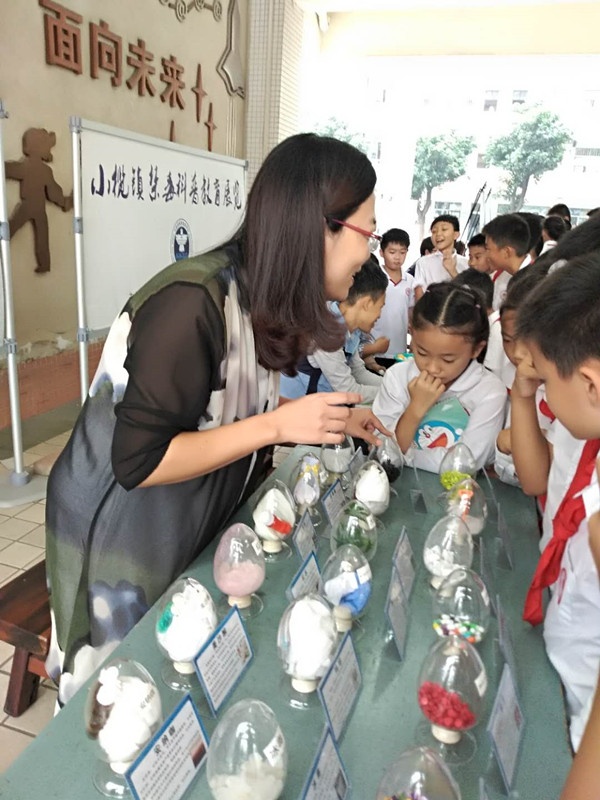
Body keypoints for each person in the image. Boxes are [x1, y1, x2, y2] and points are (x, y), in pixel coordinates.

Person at [45, 133, 388, 705]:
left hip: (186, 506)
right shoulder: (192, 301)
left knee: (178, 664)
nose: (368, 256)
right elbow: (139, 460)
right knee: (121, 692)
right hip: (122, 526)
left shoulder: (260, 299)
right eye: (368, 233)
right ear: (321, 227)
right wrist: (279, 427)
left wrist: (321, 418)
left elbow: (222, 409)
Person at [516, 253, 600, 753]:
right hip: (564, 670)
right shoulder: (582, 431)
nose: (541, 388)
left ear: (590, 384)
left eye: (547, 379)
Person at [372, 282, 506, 472]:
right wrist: (414, 410)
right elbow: (381, 452)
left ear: (477, 349)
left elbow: (465, 463)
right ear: (412, 334)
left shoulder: (489, 391)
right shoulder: (397, 376)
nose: (433, 368)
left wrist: (405, 455)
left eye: (448, 359)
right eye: (422, 353)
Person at [279, 257, 387, 401]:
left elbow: (358, 372)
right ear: (366, 303)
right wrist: (393, 394)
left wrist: (393, 387)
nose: (379, 315)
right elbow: (347, 389)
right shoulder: (326, 330)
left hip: (318, 404)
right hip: (295, 407)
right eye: (380, 307)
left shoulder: (352, 330)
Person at [369, 227, 415, 369]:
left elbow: (411, 314)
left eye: (402, 252)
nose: (397, 257)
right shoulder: (374, 277)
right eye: (392, 252)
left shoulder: (410, 281)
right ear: (381, 253)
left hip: (399, 352)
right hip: (373, 348)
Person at [482, 213, 531, 310]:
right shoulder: (499, 276)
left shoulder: (535, 284)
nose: (486, 255)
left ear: (506, 252)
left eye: (488, 249)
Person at [413, 215, 469, 301]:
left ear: (456, 235)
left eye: (444, 229)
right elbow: (419, 298)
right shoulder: (423, 262)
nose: (438, 234)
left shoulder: (467, 263)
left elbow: (471, 296)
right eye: (434, 231)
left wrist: (452, 271)